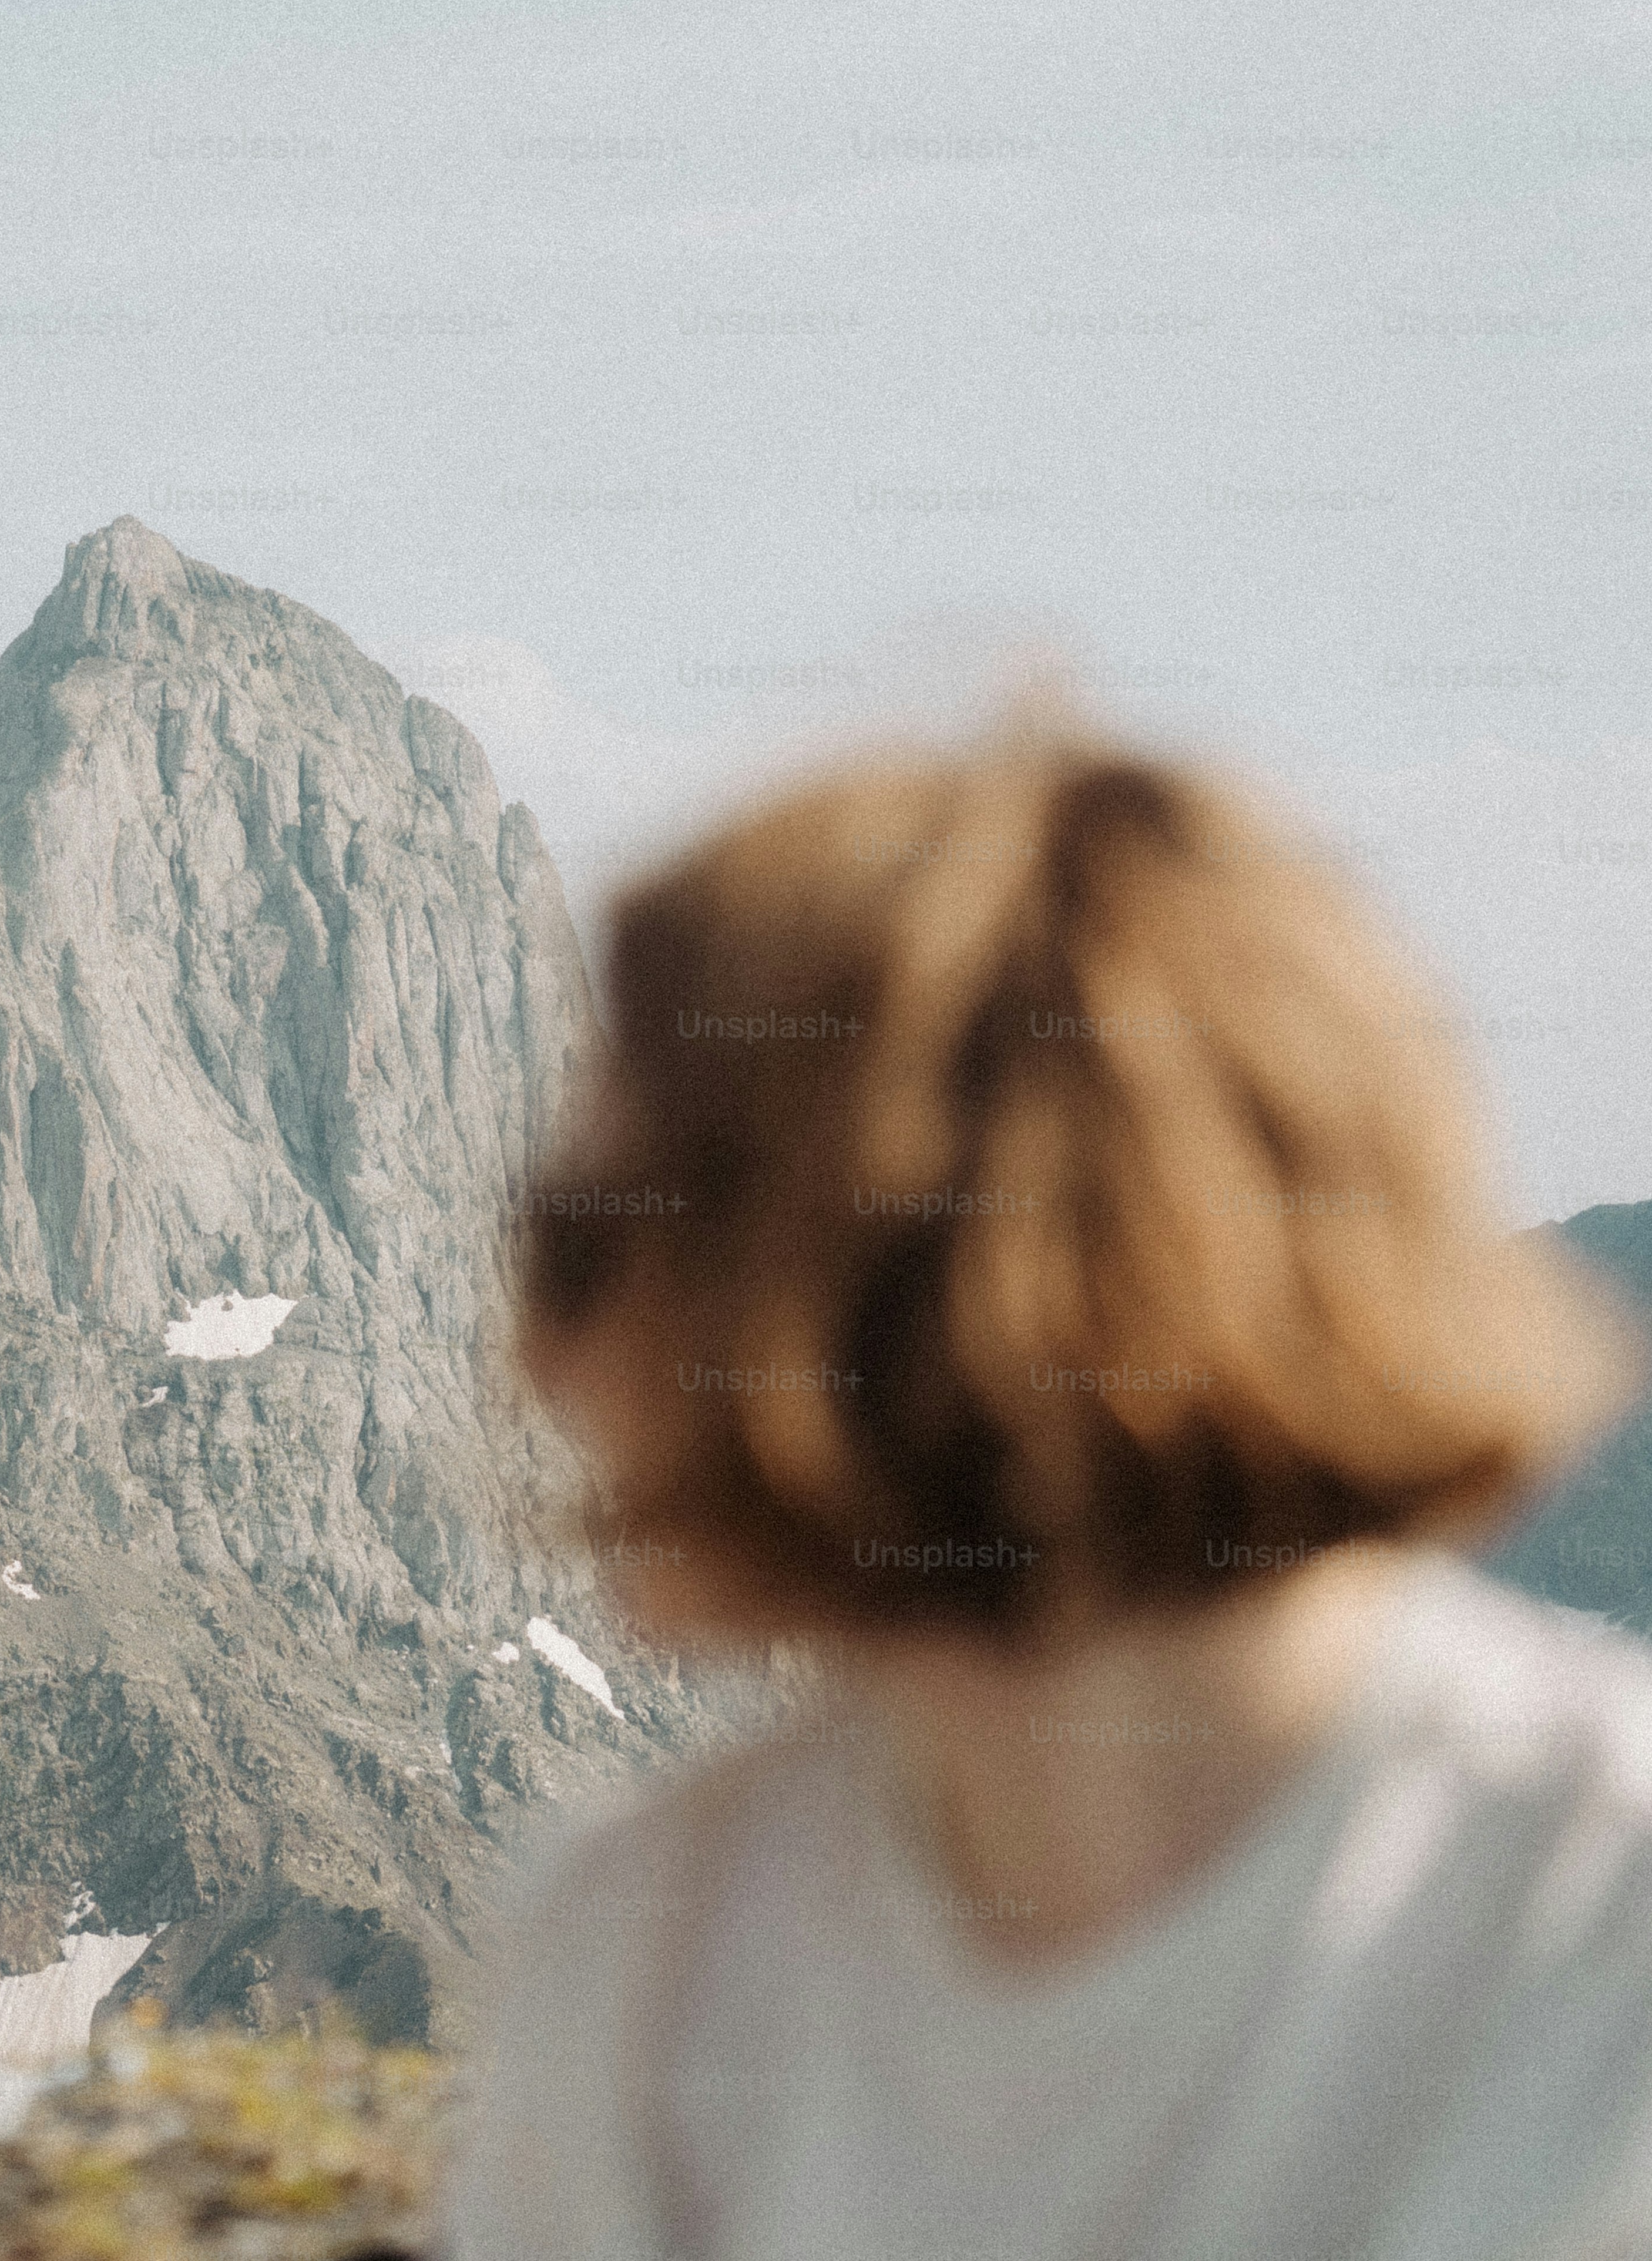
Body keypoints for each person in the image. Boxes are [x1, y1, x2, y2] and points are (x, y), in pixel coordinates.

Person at [441, 731, 1652, 2261]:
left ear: (893, 1296)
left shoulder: (1607, 1913)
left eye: (598, 1239)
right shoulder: (647, 1956)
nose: (542, 1350)